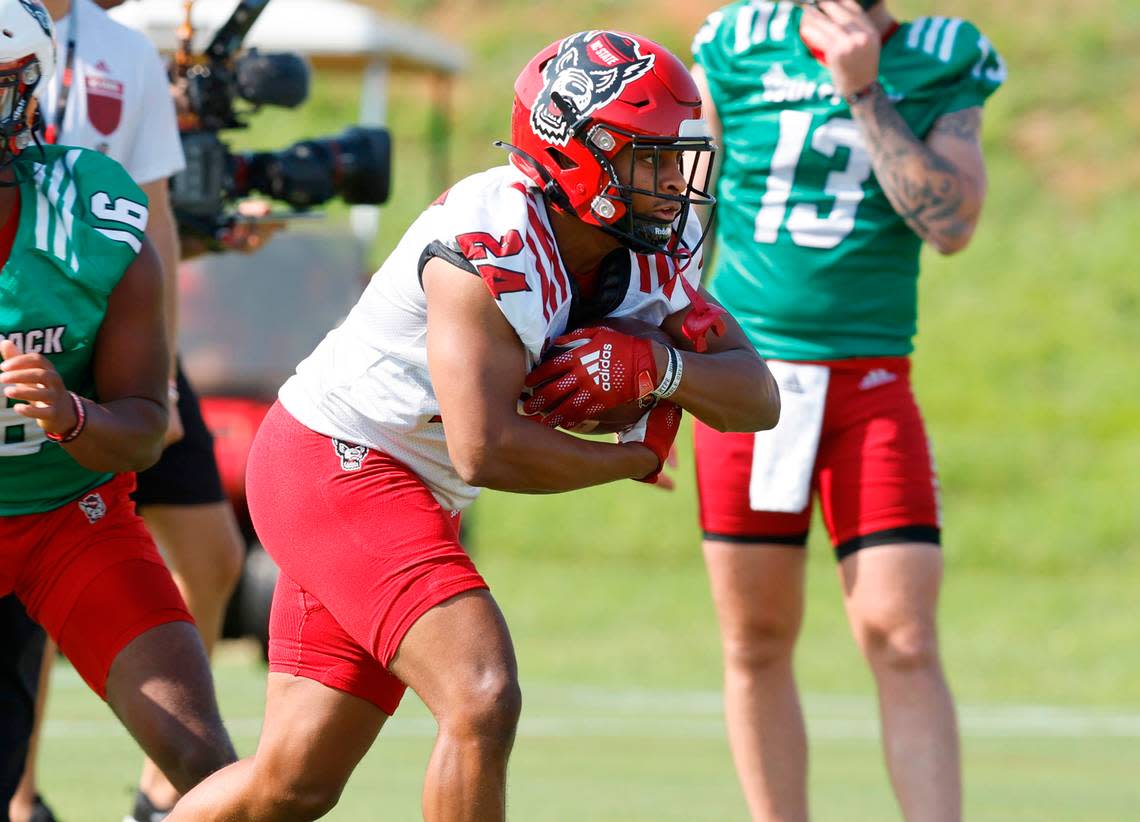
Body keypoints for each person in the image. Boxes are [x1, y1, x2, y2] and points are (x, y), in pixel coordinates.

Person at [166, 30, 780, 821]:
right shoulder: (491, 240)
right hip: (337, 462)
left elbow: (757, 395)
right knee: (482, 694)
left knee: (291, 784)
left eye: (672, 156)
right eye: (647, 158)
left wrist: (663, 370)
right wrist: (627, 462)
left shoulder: (647, 244)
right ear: (575, 153)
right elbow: (483, 448)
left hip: (404, 486)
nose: (671, 181)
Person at [689, 1, 1005, 819]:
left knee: (901, 637)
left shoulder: (943, 51)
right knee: (754, 639)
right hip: (746, 381)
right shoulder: (735, 41)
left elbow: (954, 224)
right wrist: (657, 378)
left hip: (868, 384)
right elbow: (686, 219)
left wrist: (865, 94)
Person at [0, 1, 247, 820]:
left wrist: (72, 414)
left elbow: (142, 427)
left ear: (26, 92)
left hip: (67, 518)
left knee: (204, 760)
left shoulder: (94, 219)